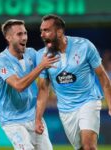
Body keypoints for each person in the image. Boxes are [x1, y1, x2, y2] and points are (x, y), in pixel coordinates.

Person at [35, 14, 111, 150]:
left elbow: (103, 77)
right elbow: (43, 89)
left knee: (89, 146)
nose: (42, 34)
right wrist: (38, 118)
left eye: (46, 30)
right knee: (81, 148)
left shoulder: (84, 46)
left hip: (89, 101)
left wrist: (110, 105)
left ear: (59, 32)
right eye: (41, 31)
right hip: (66, 110)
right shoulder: (42, 56)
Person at [0, 19, 58, 150]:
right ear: (8, 37)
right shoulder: (0, 61)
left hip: (33, 116)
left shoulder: (32, 53)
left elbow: (49, 58)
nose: (24, 37)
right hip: (12, 120)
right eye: (19, 34)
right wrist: (41, 66)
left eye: (25, 33)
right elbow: (18, 85)